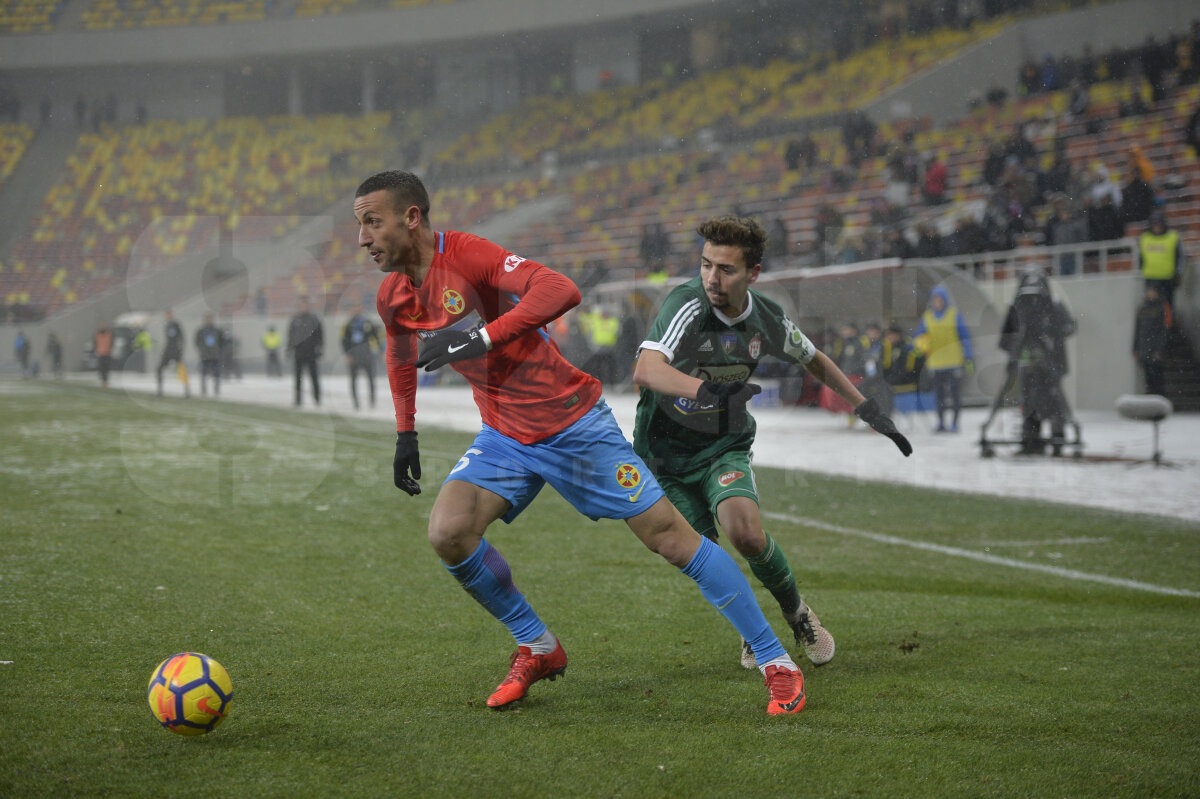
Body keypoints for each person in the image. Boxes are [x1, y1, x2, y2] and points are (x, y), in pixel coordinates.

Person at [355, 170, 808, 715]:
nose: (363, 238)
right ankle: (538, 646)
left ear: (412, 217)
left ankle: (775, 659)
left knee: (670, 538)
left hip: (574, 425)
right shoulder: (393, 295)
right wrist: (406, 432)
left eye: (371, 222)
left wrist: (481, 336)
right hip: (505, 435)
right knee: (448, 532)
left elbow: (560, 289)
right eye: (360, 225)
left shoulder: (470, 256)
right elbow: (400, 356)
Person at [631, 215, 912, 671]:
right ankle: (753, 632)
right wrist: (708, 391)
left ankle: (797, 613)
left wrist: (866, 408)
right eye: (705, 265)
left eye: (725, 269)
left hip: (723, 444)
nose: (711, 278)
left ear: (753, 273)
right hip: (664, 454)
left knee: (744, 531)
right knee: (704, 556)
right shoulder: (685, 303)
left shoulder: (766, 319)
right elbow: (646, 370)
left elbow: (814, 360)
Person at [998, 270, 1076, 455]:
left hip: (1050, 361)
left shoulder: (1054, 305)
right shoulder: (1017, 307)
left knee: (1054, 399)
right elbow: (1007, 338)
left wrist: (1050, 335)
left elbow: (1069, 327)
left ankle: (1057, 438)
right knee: (1028, 400)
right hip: (1027, 362)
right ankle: (1030, 439)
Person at [913, 285, 973, 433]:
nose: (937, 302)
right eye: (935, 300)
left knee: (954, 394)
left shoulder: (954, 315)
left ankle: (954, 423)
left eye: (940, 299)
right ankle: (941, 423)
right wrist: (918, 347)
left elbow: (964, 336)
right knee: (939, 396)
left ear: (945, 300)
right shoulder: (927, 317)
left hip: (954, 361)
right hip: (936, 363)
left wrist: (968, 356)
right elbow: (919, 337)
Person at [1138, 208, 1184, 310]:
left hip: (1168, 278)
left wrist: (1179, 273)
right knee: (1152, 307)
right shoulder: (1145, 238)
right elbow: (1140, 258)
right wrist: (1141, 271)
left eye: (1158, 224)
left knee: (1168, 307)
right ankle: (1153, 325)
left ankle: (1168, 325)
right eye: (1154, 224)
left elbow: (1180, 256)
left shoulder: (1173, 236)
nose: (1157, 227)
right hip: (1151, 279)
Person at [1133, 283, 1172, 396]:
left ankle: (1159, 401)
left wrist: (1160, 349)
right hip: (1144, 349)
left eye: (1152, 291)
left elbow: (1164, 330)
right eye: (1148, 291)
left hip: (1155, 350)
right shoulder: (1142, 309)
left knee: (1158, 380)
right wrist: (1135, 348)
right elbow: (1137, 330)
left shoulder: (1162, 307)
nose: (1150, 294)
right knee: (1148, 379)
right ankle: (1150, 402)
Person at [342, 303, 382, 410]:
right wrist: (348, 354)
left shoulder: (367, 322)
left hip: (366, 355)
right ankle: (356, 402)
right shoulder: (349, 324)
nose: (357, 310)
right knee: (354, 379)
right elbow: (344, 341)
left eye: (359, 307)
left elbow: (376, 336)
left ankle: (372, 401)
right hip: (354, 355)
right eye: (355, 307)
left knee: (370, 378)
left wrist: (380, 350)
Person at [287, 297, 324, 407]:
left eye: (305, 305)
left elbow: (320, 336)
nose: (303, 307)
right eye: (301, 305)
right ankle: (298, 399)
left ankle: (317, 399)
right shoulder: (295, 320)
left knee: (314, 377)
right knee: (298, 378)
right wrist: (289, 348)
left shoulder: (314, 319)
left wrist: (319, 348)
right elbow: (291, 335)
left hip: (311, 353)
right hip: (299, 353)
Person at [155, 309, 190, 398]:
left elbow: (182, 338)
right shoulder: (166, 325)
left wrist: (180, 349)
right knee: (159, 369)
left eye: (169, 314)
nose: (168, 316)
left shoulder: (176, 324)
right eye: (166, 315)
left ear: (172, 315)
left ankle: (187, 392)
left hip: (176, 351)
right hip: (168, 350)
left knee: (182, 370)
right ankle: (160, 391)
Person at [194, 314, 224, 397]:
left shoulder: (217, 330)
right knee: (203, 373)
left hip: (215, 355)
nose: (209, 320)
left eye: (210, 319)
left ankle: (216, 391)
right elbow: (197, 341)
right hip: (205, 355)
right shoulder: (201, 331)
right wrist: (202, 350)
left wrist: (219, 351)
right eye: (207, 319)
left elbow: (222, 342)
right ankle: (204, 391)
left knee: (217, 373)